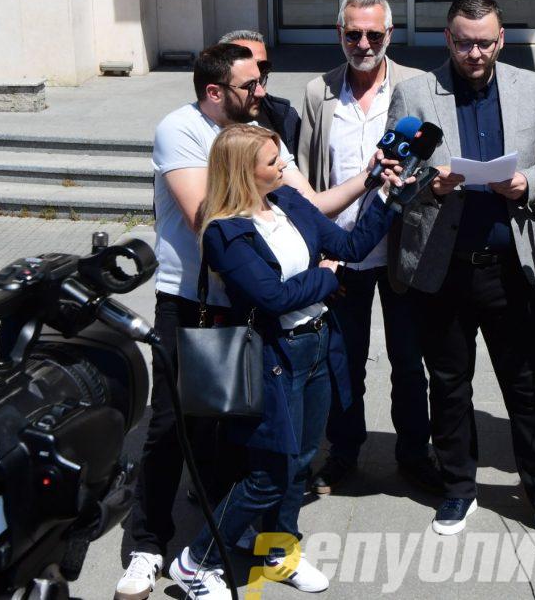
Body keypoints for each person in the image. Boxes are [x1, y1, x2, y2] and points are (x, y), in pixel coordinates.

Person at [115, 44, 374, 600]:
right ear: (215, 91)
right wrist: (314, 276)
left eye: (263, 79)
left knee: (249, 433)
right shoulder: (181, 130)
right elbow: (210, 217)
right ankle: (148, 545)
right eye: (250, 84)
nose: (263, 91)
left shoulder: (262, 133)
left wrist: (374, 181)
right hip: (193, 303)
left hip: (251, 310)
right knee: (173, 426)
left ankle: (245, 538)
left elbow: (305, 203)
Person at [167, 124, 403, 599]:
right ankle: (196, 562)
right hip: (272, 356)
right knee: (267, 475)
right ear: (243, 171)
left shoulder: (289, 202)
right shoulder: (224, 231)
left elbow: (349, 248)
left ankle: (278, 551)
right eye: (273, 162)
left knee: (300, 463)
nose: (284, 167)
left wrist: (386, 194)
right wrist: (326, 277)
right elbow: (272, 298)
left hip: (317, 344)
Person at [386, 0, 535, 550]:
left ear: (501, 40)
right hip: (443, 268)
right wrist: (431, 184)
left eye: (486, 43)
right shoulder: (416, 92)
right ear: (448, 39)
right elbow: (397, 173)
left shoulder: (531, 87)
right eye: (465, 43)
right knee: (448, 384)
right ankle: (457, 487)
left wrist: (527, 184)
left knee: (527, 384)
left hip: (508, 266)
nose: (475, 53)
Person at [297, 0, 437, 495]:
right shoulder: (318, 92)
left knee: (409, 362)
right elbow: (306, 176)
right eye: (353, 34)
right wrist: (317, 250)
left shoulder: (417, 87)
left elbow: (435, 166)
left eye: (373, 35)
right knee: (343, 360)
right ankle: (343, 452)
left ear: (389, 34)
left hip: (400, 251)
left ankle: (414, 454)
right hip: (341, 255)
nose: (363, 44)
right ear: (340, 33)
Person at [218, 30, 301, 155]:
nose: (256, 73)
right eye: (246, 66)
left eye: (262, 67)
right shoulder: (197, 128)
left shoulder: (284, 116)